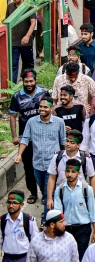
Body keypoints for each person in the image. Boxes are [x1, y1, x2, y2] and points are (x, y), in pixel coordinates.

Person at [8, 69, 50, 204]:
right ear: (22, 82)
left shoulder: (43, 93)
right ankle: (32, 192)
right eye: (26, 81)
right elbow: (13, 116)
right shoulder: (16, 97)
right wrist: (15, 136)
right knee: (29, 167)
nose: (29, 84)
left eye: (31, 81)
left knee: (45, 166)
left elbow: (51, 111)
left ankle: (45, 193)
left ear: (35, 80)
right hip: (26, 139)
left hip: (43, 136)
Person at [14, 95, 64, 204]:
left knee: (48, 193)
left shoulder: (59, 122)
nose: (42, 109)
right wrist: (19, 155)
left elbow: (63, 142)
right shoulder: (31, 122)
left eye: (45, 107)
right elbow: (25, 139)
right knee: (43, 187)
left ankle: (48, 216)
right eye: (40, 107)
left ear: (51, 108)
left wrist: (66, 158)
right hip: (37, 163)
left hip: (53, 163)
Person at [0, 190, 38, 262]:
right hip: (7, 259)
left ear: (21, 205)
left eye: (14, 203)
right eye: (9, 203)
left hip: (23, 259)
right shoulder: (2, 220)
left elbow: (35, 240)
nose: (11, 205)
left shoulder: (28, 220)